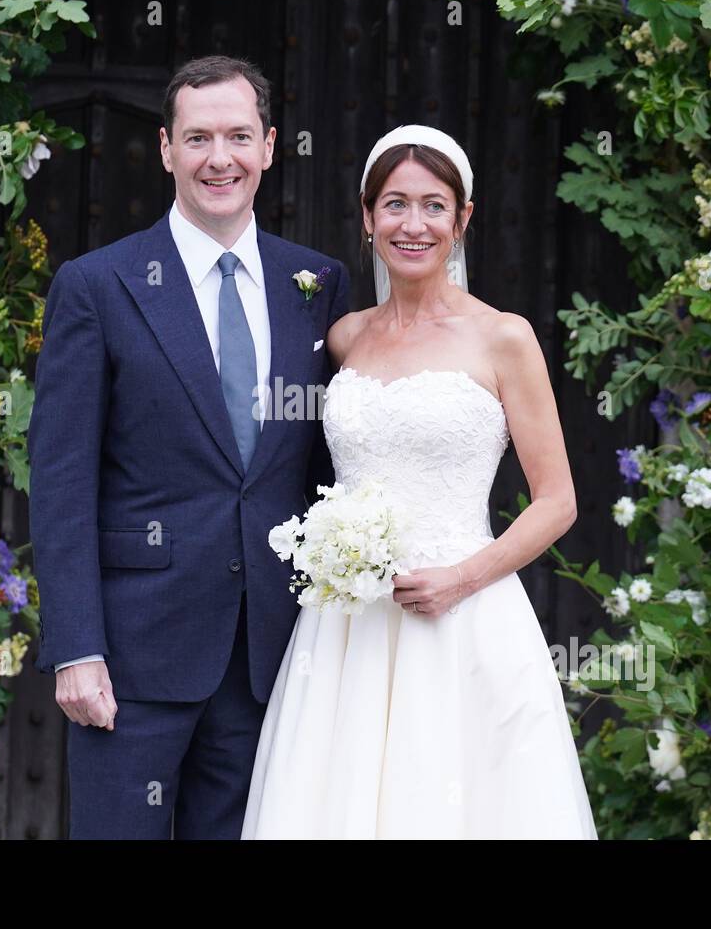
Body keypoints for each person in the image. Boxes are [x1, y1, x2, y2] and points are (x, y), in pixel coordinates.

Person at [241, 125, 599, 838]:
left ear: (463, 220)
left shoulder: (504, 338)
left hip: (462, 618)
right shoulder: (345, 337)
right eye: (395, 205)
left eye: (434, 206)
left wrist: (462, 578)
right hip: (346, 630)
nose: (414, 224)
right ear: (368, 217)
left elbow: (557, 501)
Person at [27, 55, 350, 839]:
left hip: (266, 660)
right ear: (167, 149)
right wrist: (76, 648)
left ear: (270, 146)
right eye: (198, 137)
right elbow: (62, 478)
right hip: (132, 661)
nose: (220, 158)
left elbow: (324, 474)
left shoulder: (317, 284)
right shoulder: (98, 286)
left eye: (239, 136)